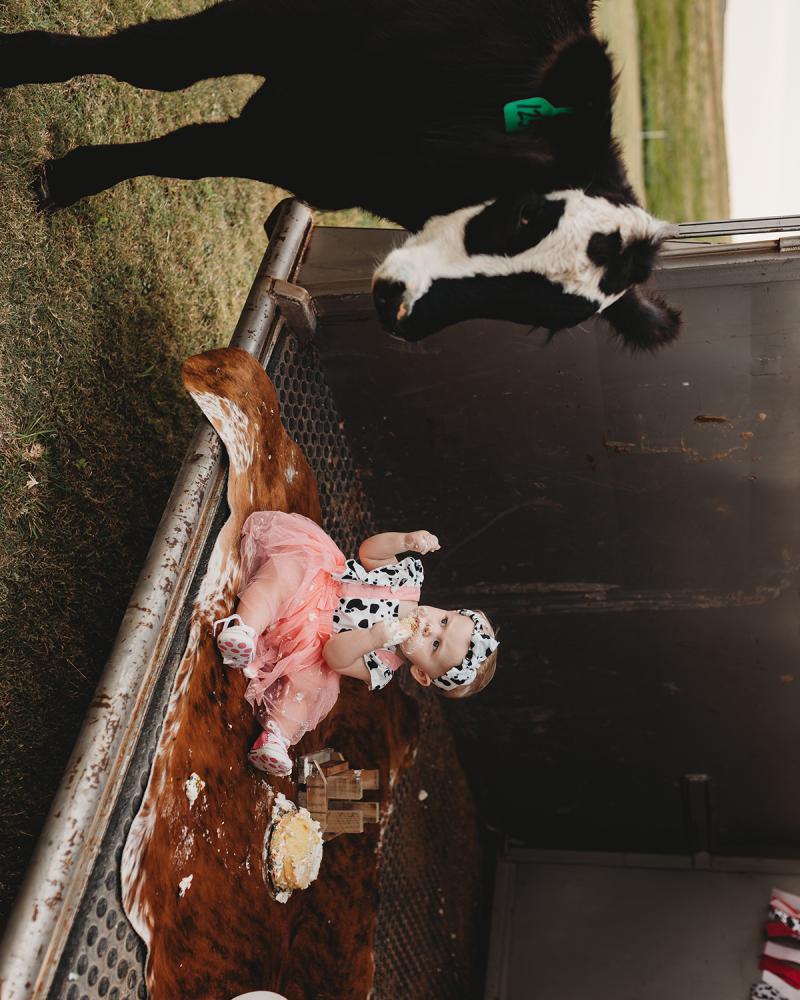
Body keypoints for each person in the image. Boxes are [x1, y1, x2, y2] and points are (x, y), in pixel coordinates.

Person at [213, 510, 498, 776]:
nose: (429, 628)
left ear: (421, 674)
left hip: (313, 644)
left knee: (311, 688)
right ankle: (244, 630)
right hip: (316, 585)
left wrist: (374, 638)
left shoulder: (382, 666)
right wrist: (405, 541)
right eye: (444, 621)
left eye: (435, 645)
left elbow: (333, 655)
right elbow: (369, 552)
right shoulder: (405, 585)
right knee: (286, 573)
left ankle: (276, 738)